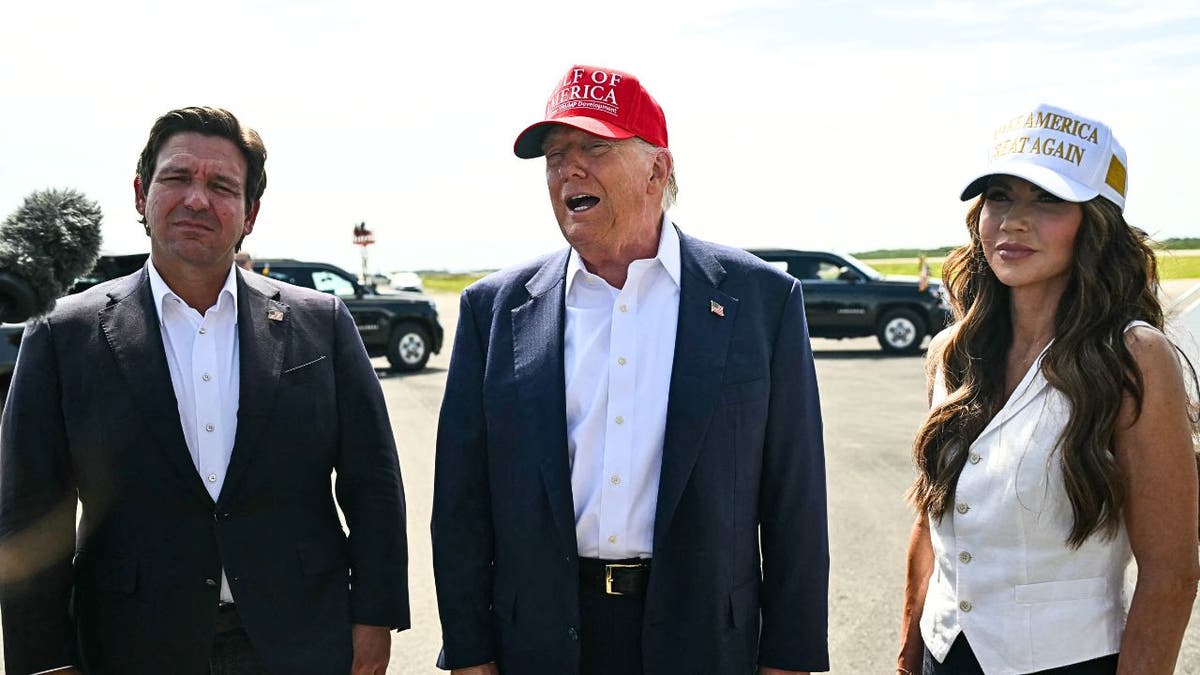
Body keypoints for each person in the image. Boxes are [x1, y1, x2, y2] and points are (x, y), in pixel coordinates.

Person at [432, 65, 829, 675]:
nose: (569, 169)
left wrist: (790, 659)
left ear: (656, 169)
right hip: (539, 641)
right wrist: (469, 653)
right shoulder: (495, 310)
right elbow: (461, 503)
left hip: (704, 640)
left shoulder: (760, 301)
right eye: (555, 155)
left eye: (594, 147)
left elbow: (795, 499)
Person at [0, 107, 410, 674]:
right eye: (177, 178)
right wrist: (43, 661)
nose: (196, 199)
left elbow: (374, 485)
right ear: (142, 193)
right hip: (130, 646)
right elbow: (28, 511)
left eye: (221, 186)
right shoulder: (61, 334)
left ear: (250, 214)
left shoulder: (323, 323)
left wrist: (375, 617)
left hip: (304, 639)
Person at [897, 104, 1200, 674]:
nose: (1013, 221)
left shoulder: (1134, 358)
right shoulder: (952, 351)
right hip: (945, 656)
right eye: (1000, 197)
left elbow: (1171, 571)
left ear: (1097, 222)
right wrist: (908, 657)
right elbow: (932, 518)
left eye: (1048, 200)